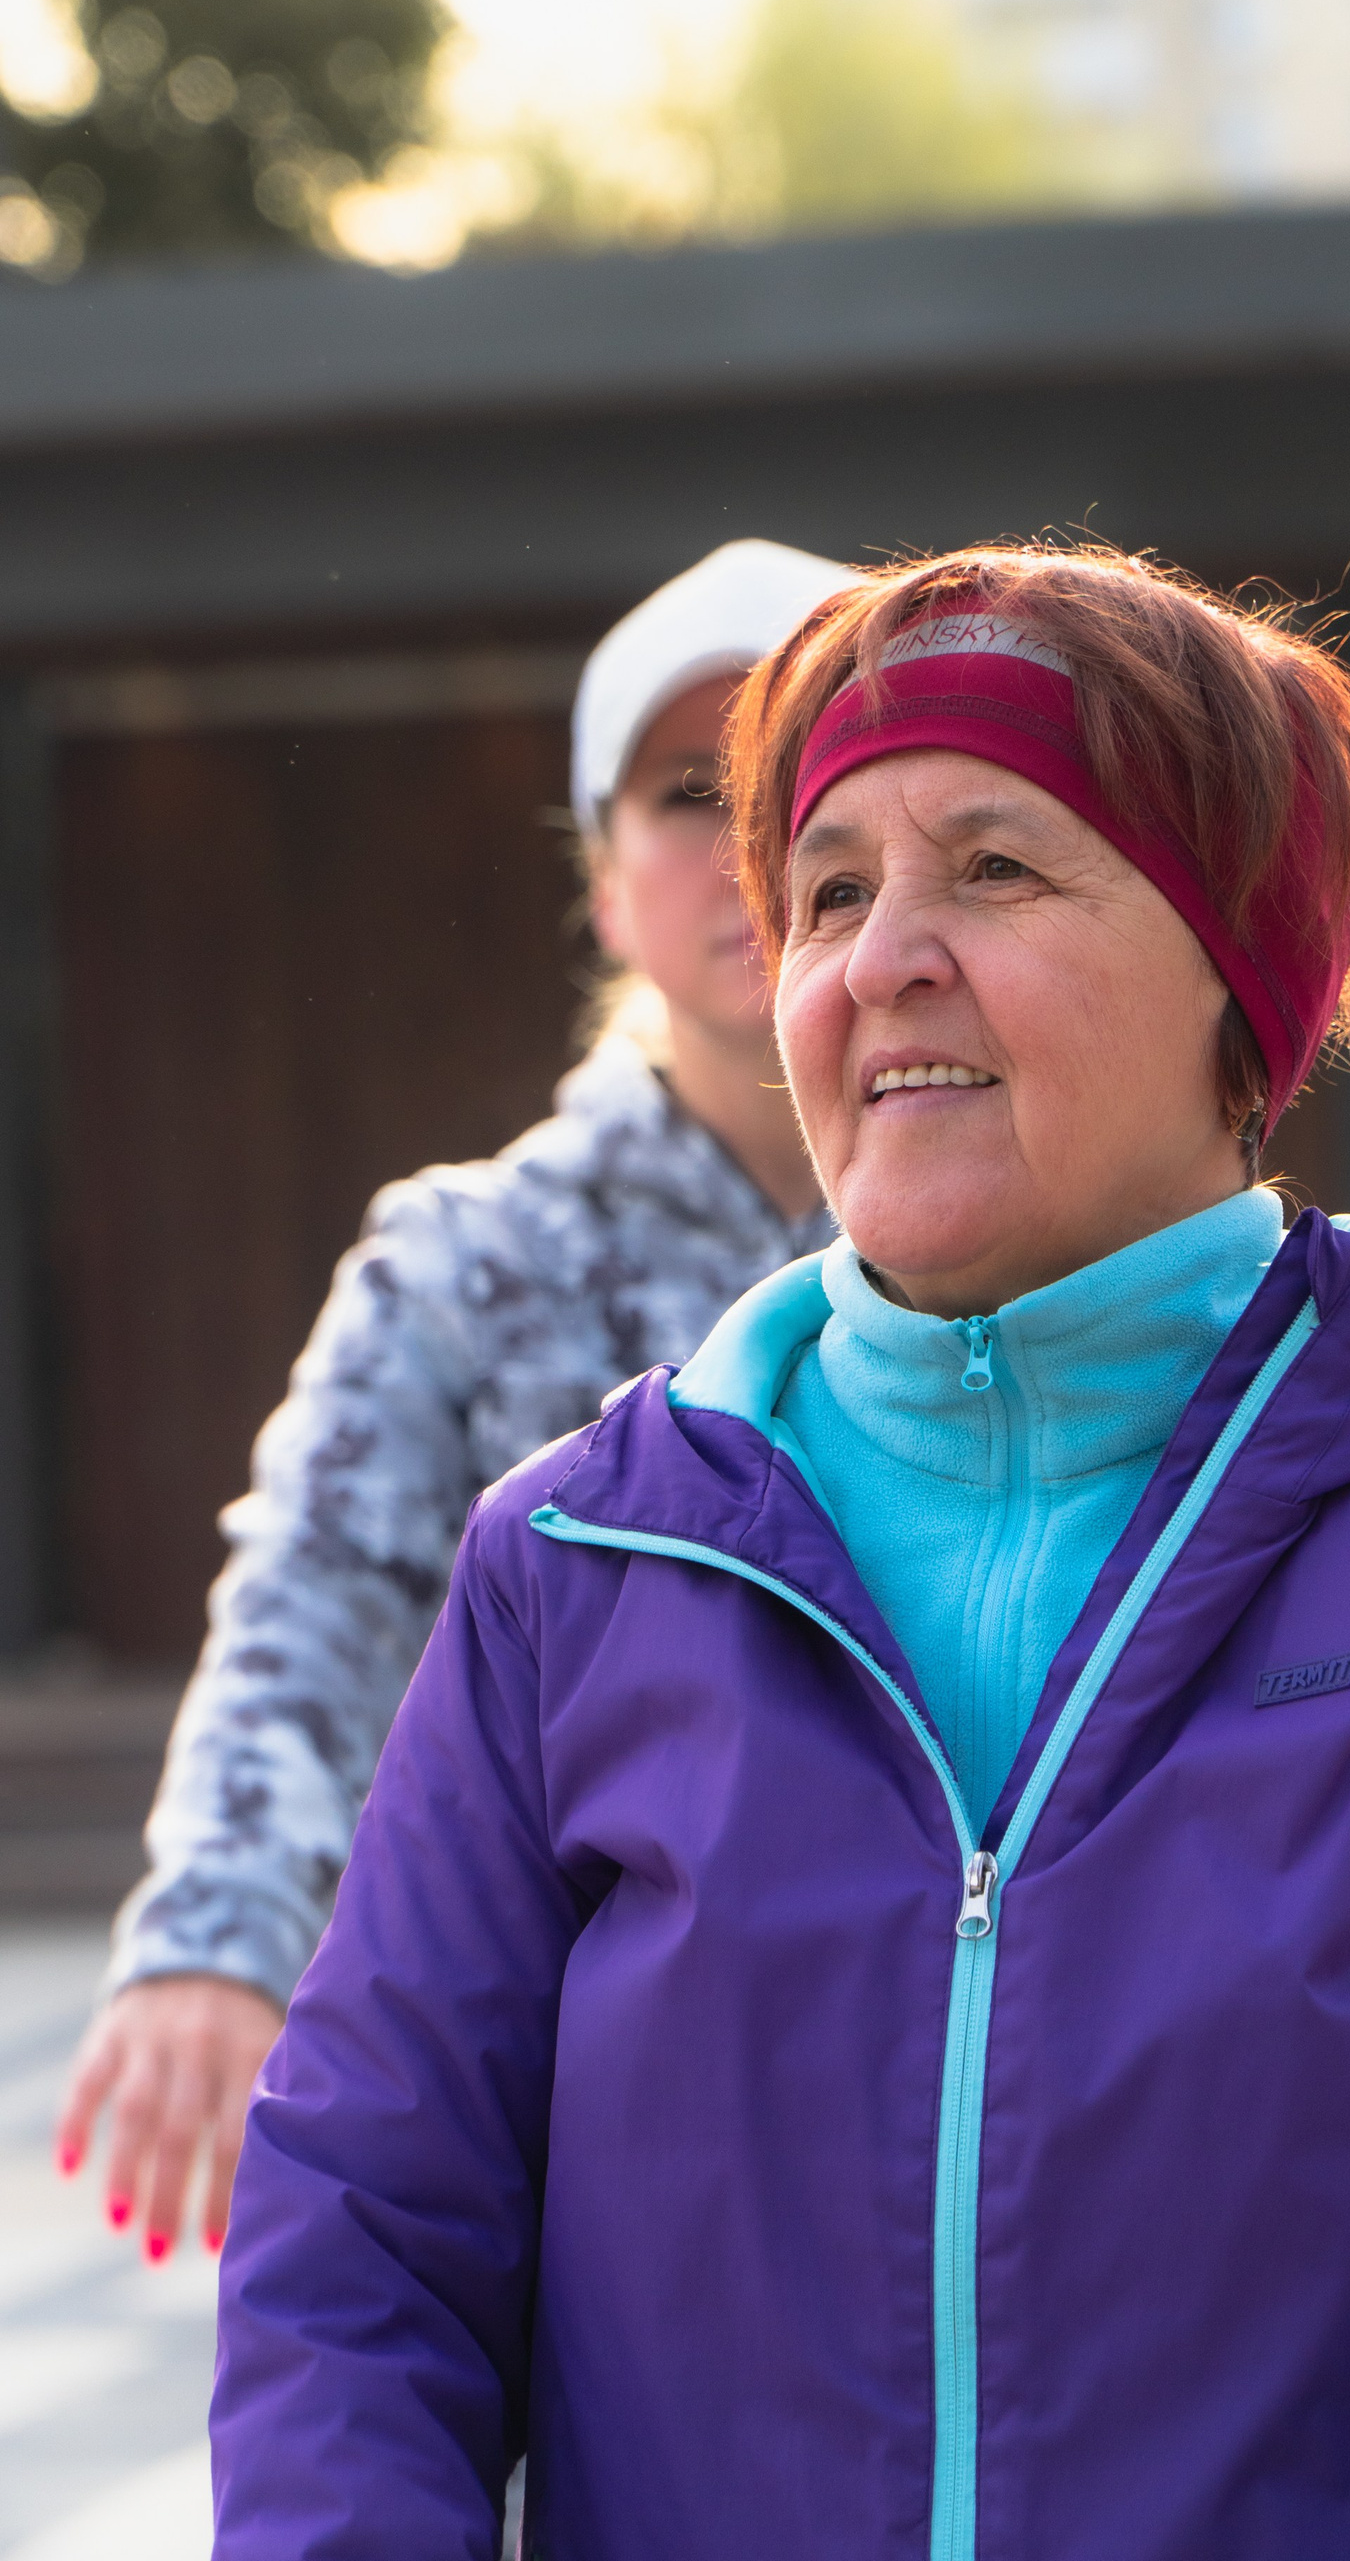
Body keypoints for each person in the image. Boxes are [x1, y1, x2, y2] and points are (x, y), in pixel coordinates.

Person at [212, 545, 1350, 2561]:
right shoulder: (578, 1561)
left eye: (995, 867)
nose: (878, 960)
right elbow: (355, 2263)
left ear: (1232, 972)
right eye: (830, 890)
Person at [55, 537, 852, 2262]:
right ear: (604, 886)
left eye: (798, 780)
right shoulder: (467, 1260)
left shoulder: (1030, 1255)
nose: (747, 843)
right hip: (588, 2150)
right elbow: (314, 1594)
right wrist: (218, 1932)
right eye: (685, 793)